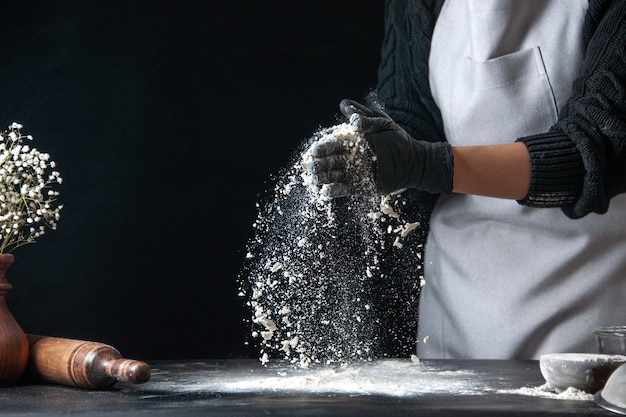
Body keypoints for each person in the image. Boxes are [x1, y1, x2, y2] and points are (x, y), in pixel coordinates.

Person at [308, 0, 626, 359]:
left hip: (585, 310)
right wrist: (375, 153)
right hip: (456, 313)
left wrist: (429, 165)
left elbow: (595, 150)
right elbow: (414, 119)